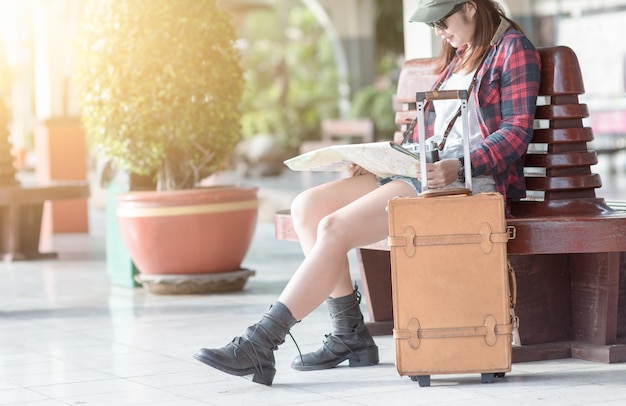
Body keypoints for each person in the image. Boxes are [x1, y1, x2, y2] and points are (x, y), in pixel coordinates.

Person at [194, 0, 541, 386]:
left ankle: (261, 342)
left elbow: (515, 133)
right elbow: (432, 131)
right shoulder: (460, 56)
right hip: (420, 172)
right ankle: (350, 334)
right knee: (306, 206)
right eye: (434, 26)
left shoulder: (512, 49)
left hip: (465, 183)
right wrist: (380, 160)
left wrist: (458, 166)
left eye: (442, 22)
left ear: (472, 8)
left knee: (334, 228)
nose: (439, 32)